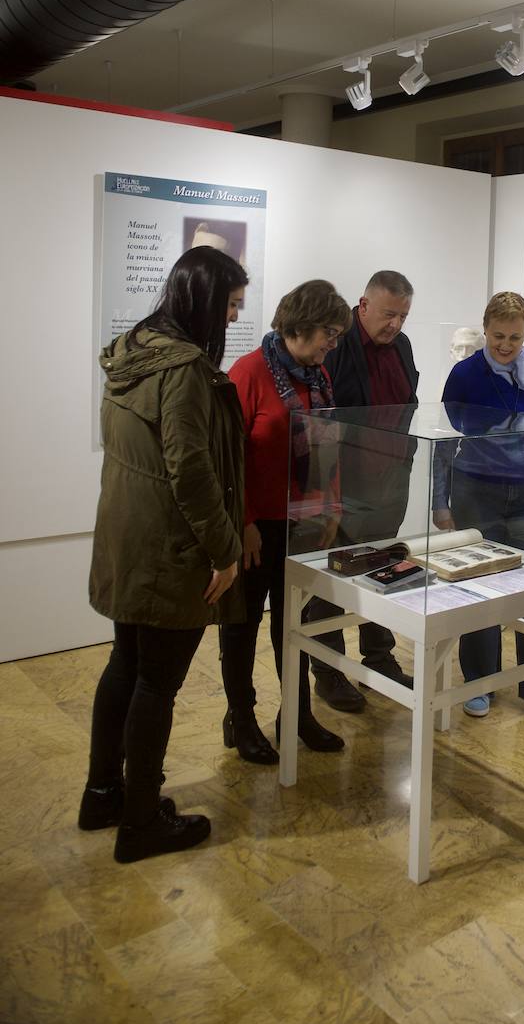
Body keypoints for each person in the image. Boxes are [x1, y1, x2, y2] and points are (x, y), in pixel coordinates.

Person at [80, 247, 249, 864]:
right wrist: (225, 551)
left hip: (129, 536)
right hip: (169, 546)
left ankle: (104, 795)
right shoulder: (181, 370)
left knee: (126, 664)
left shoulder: (135, 353)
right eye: (229, 305)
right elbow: (191, 470)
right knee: (157, 681)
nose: (232, 319)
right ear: (203, 301)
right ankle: (141, 822)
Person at [222, 280, 352, 763]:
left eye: (337, 336)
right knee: (242, 625)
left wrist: (331, 505)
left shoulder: (318, 379)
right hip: (257, 528)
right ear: (300, 325)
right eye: (328, 333)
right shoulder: (248, 373)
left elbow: (328, 446)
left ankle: (296, 714)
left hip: (302, 523)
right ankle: (241, 717)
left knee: (292, 626)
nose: (332, 345)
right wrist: (245, 522)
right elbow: (228, 459)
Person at [434, 291, 524, 726]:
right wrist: (440, 501)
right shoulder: (464, 375)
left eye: (515, 337)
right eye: (497, 336)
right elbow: (443, 442)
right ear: (486, 329)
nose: (506, 345)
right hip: (478, 493)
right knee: (479, 589)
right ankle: (479, 683)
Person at [306, 270, 417, 710]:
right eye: (389, 314)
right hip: (343, 489)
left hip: (389, 485)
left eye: (404, 316)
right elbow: (320, 422)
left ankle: (379, 660)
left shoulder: (403, 347)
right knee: (332, 582)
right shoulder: (337, 346)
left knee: (381, 573)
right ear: (363, 306)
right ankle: (328, 672)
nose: (395, 324)